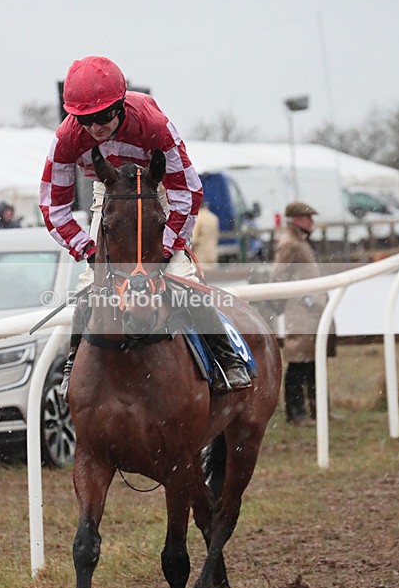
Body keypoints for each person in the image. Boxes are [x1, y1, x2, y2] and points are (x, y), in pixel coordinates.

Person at [39, 55, 253, 398]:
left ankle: (226, 357)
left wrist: (167, 247)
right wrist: (88, 250)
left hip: (161, 188)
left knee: (182, 276)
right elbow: (53, 205)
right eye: (84, 119)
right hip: (108, 192)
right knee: (92, 283)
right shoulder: (66, 138)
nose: (94, 127)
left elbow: (188, 190)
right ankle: (73, 362)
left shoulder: (153, 123)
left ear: (121, 105)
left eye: (102, 116)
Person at [271, 201, 336, 427]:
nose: (311, 222)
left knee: (313, 360)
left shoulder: (300, 241)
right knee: (299, 362)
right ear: (296, 220)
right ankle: (296, 412)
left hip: (311, 308)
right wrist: (293, 299)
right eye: (307, 218)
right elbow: (279, 276)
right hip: (299, 310)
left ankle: (319, 409)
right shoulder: (290, 244)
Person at [191, 202, 219, 266]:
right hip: (212, 256)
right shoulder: (213, 217)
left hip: (200, 258)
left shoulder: (198, 218)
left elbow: (194, 239)